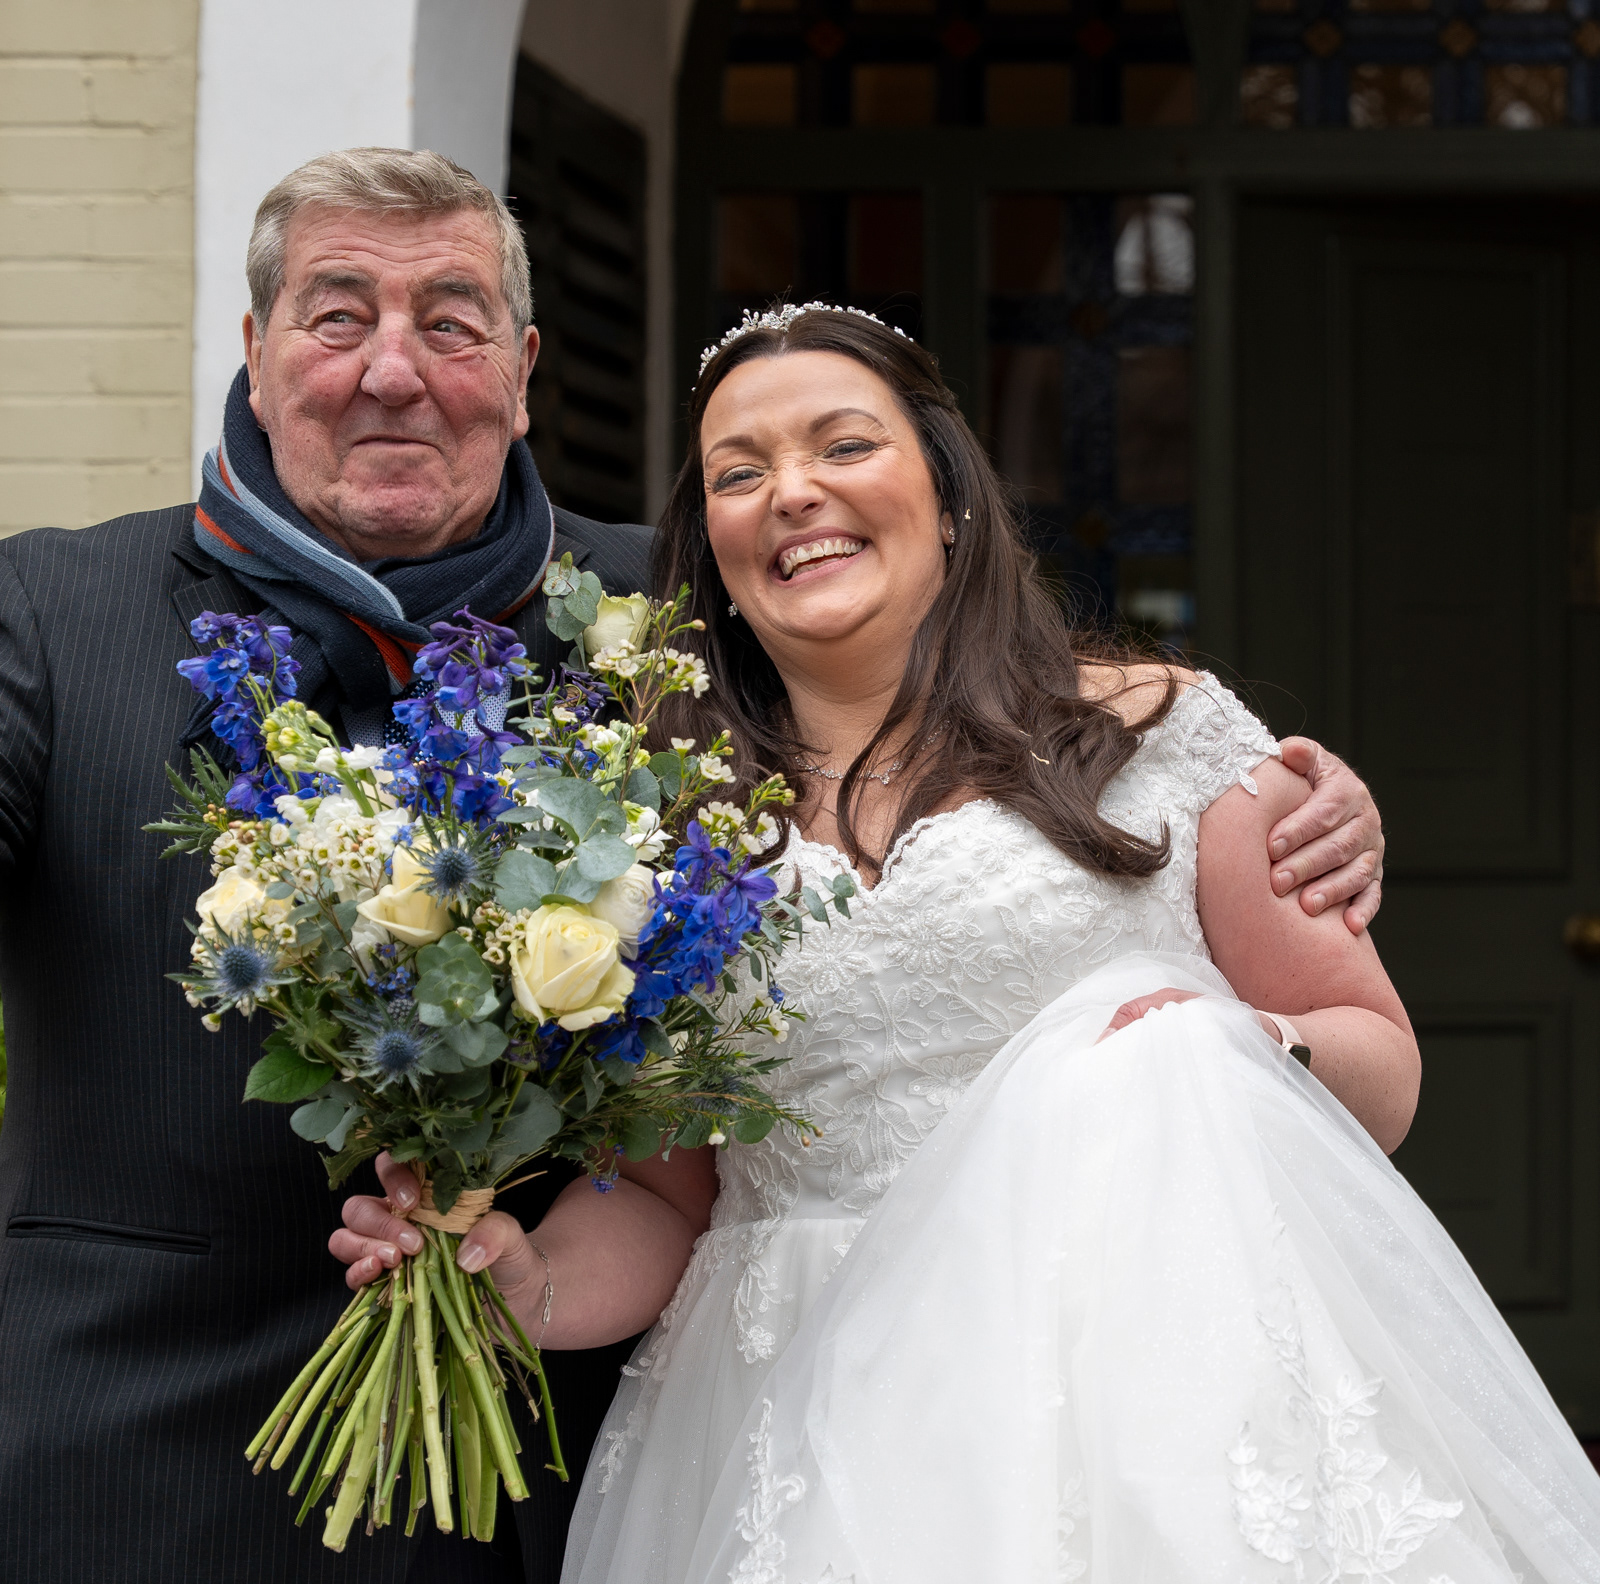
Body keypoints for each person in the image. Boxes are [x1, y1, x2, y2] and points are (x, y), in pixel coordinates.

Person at [328, 305, 1598, 1584]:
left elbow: (1378, 1058)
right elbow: (668, 1200)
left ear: (949, 497)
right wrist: (528, 1282)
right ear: (708, 545)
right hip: (798, 1414)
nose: (793, 492)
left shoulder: (1163, 736)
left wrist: (1239, 1050)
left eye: (843, 445)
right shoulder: (655, 828)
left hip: (1142, 1388)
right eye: (739, 472)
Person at [0, 148, 667, 1584]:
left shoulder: (661, 615)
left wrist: (1173, 770)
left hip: (559, 1492)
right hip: (137, 1475)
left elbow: (922, 728)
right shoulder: (50, 613)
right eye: (338, 316)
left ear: (524, 372)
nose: (392, 371)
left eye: (451, 322)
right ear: (255, 355)